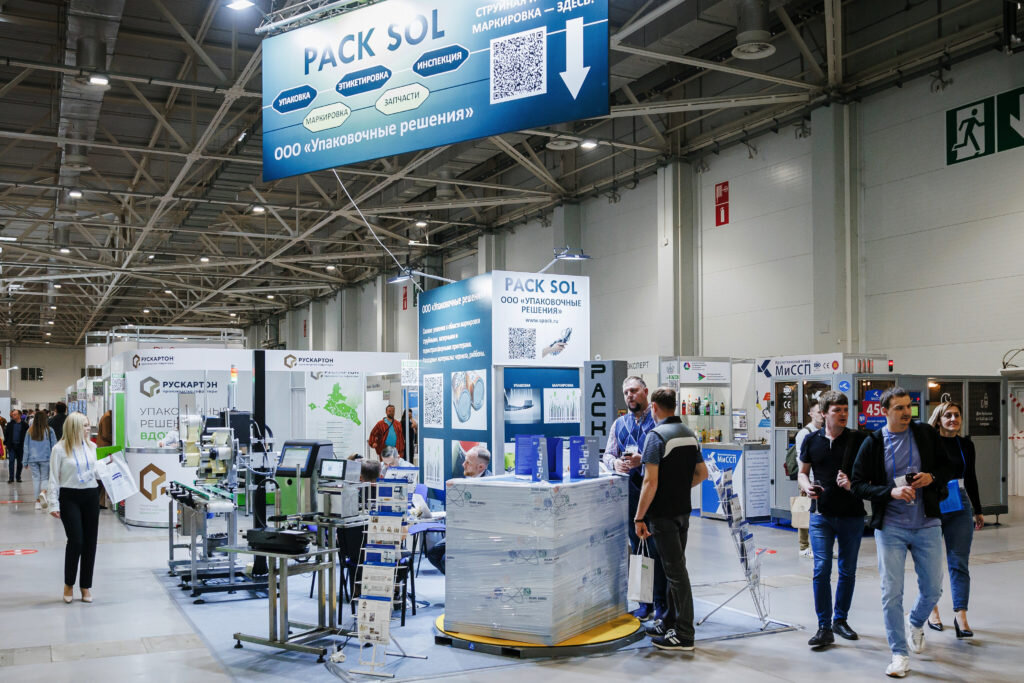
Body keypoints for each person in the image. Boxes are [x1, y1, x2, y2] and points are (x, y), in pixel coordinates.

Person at [851, 387, 951, 678]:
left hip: (927, 523)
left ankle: (916, 621)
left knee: (933, 589)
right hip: (891, 527)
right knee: (891, 592)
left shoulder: (925, 434)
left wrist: (932, 477)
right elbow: (857, 484)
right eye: (899, 408)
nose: (907, 413)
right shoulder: (873, 442)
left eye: (909, 407)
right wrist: (890, 492)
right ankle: (898, 654)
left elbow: (947, 467)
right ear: (884, 411)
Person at [634, 387, 706, 652]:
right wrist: (678, 488)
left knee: (675, 573)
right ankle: (668, 623)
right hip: (683, 512)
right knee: (672, 569)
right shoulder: (689, 434)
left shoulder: (656, 437)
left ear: (653, 407)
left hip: (662, 515)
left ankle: (684, 634)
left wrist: (639, 517)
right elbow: (702, 474)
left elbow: (649, 482)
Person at [797, 391, 868, 647]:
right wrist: (807, 487)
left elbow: (871, 475)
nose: (843, 414)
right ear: (824, 413)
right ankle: (823, 627)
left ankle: (841, 620)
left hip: (852, 515)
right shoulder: (811, 440)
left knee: (847, 570)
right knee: (821, 569)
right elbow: (802, 473)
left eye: (845, 410)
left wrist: (852, 483)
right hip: (821, 515)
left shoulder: (859, 440)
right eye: (837, 410)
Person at [602, 376, 667, 621]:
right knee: (639, 550)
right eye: (626, 392)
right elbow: (608, 454)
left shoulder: (658, 422)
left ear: (645, 392)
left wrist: (644, 459)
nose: (629, 395)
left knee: (657, 550)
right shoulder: (619, 424)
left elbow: (667, 457)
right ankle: (644, 602)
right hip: (630, 496)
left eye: (634, 390)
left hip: (656, 496)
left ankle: (661, 603)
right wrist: (615, 463)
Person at [926, 401, 983, 638]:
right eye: (947, 415)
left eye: (957, 415)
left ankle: (961, 614)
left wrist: (978, 510)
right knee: (930, 561)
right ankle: (931, 608)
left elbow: (971, 477)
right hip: (933, 502)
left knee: (959, 561)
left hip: (959, 502)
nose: (953, 419)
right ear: (939, 420)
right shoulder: (929, 443)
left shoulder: (965, 445)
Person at [47, 412, 101, 604]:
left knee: (90, 542)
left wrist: (108, 467)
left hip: (91, 495)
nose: (88, 428)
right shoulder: (59, 449)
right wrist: (53, 503)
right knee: (76, 541)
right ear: (74, 427)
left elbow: (97, 473)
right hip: (69, 497)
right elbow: (54, 477)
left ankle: (85, 586)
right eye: (84, 425)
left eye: (88, 425)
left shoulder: (92, 447)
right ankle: (69, 584)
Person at [425, 444, 492, 575]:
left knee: (446, 560)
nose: (463, 464)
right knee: (433, 554)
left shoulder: (489, 485)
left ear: (481, 467)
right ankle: (458, 580)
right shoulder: (469, 478)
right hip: (461, 530)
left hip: (477, 534)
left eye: (468, 462)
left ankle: (462, 581)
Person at [795, 399, 824, 557]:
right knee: (805, 511)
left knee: (818, 514)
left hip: (820, 480)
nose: (821, 415)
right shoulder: (804, 434)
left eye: (822, 411)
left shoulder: (825, 431)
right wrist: (805, 482)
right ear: (811, 413)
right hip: (808, 480)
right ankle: (804, 546)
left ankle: (819, 546)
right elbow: (802, 460)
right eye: (818, 412)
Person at [24, 410, 57, 510]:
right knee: (45, 478)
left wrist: (25, 461)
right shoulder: (49, 430)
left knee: (36, 479)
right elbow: (54, 446)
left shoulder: (29, 431)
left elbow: (26, 447)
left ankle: (37, 502)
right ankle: (43, 493)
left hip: (32, 459)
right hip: (46, 458)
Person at [5, 409, 28, 482]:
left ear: (19, 415)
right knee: (11, 461)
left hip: (20, 446)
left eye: (15, 414)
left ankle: (18, 477)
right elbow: (6, 434)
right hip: (11, 446)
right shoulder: (10, 424)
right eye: (13, 414)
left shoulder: (25, 425)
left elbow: (27, 436)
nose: (13, 416)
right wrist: (5, 443)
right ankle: (11, 478)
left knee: (20, 462)